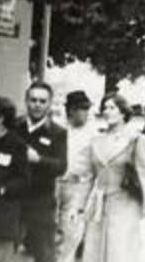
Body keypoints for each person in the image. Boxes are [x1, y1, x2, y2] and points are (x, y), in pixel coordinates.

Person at [82, 93, 145, 262]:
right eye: (105, 108)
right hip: (100, 205)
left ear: (123, 112)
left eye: (112, 108)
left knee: (120, 251)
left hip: (126, 203)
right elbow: (89, 176)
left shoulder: (136, 139)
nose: (107, 112)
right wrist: (81, 205)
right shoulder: (96, 140)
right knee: (95, 251)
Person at [16, 81, 67, 262]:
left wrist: (38, 160)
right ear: (26, 101)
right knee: (5, 252)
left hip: (41, 202)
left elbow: (61, 166)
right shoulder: (15, 127)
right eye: (33, 100)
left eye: (42, 101)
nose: (37, 105)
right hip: (13, 201)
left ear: (49, 104)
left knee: (44, 254)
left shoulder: (57, 133)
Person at [58, 91, 98, 262]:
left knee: (72, 231)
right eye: (81, 108)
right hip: (56, 183)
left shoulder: (93, 133)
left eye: (86, 109)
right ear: (71, 110)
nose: (85, 113)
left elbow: (98, 164)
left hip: (79, 187)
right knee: (51, 230)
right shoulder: (58, 128)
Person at [0, 94, 29, 260]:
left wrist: (3, 189)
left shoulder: (16, 145)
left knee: (2, 257)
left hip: (4, 212)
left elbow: (24, 179)